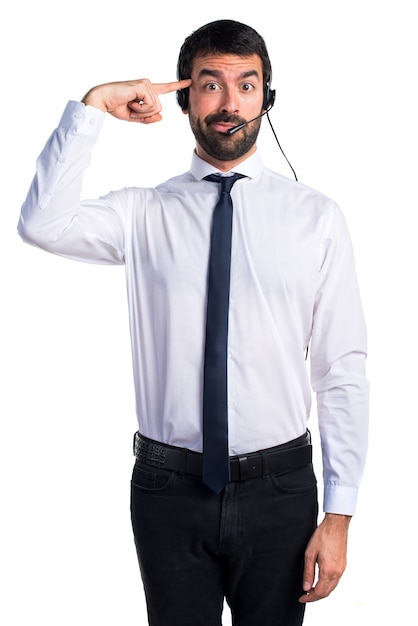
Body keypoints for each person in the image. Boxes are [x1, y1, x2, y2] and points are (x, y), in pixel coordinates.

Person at [18, 19, 369, 626]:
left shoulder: (316, 218)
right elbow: (41, 223)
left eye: (247, 85)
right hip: (168, 491)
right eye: (210, 84)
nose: (230, 103)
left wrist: (338, 515)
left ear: (267, 98)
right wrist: (93, 108)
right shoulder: (143, 212)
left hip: (281, 490)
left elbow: (341, 370)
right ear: (185, 99)